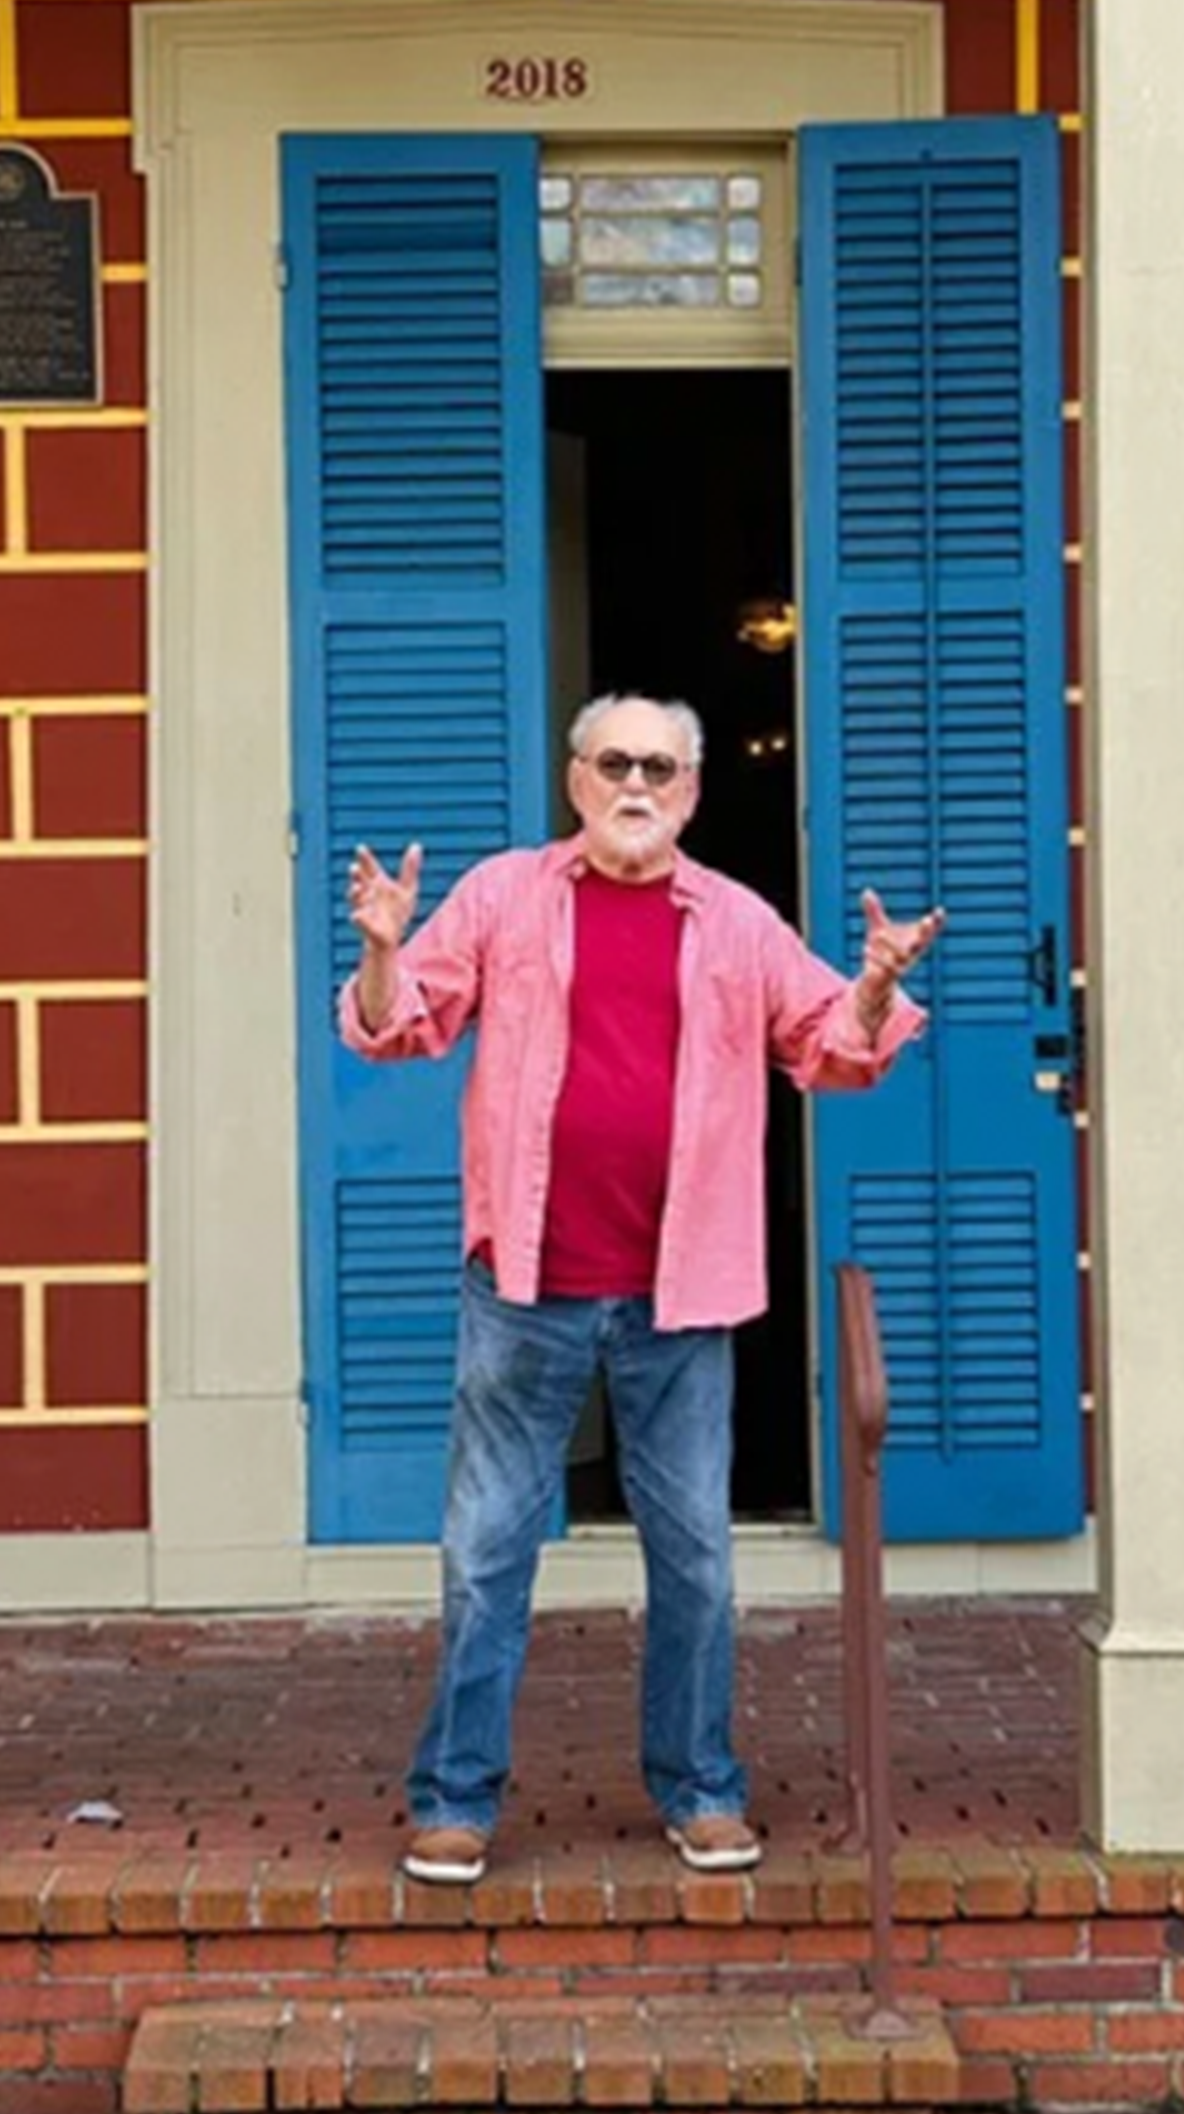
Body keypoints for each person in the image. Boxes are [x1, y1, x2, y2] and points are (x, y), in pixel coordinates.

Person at [340, 692, 938, 1886]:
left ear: (692, 791)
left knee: (698, 1558)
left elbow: (832, 1047)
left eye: (660, 767)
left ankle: (701, 1785)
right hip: (525, 1283)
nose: (635, 784)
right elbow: (396, 1030)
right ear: (574, 778)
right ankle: (454, 1797)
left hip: (681, 1296)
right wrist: (383, 947)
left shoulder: (735, 919)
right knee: (485, 1550)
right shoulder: (506, 894)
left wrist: (871, 986)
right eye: (614, 761)